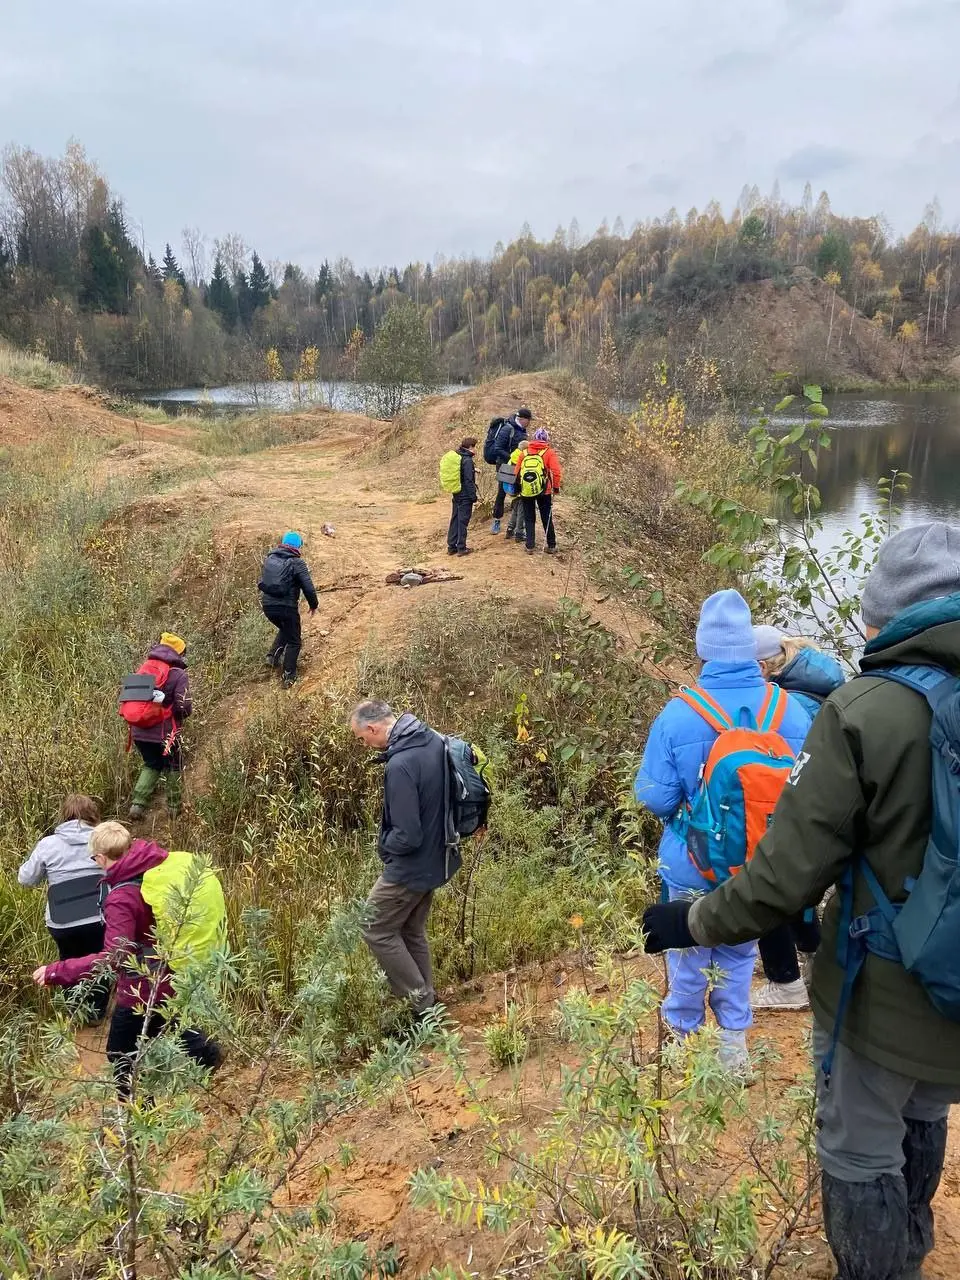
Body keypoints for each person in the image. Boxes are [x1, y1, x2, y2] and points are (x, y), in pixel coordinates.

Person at [640, 522, 960, 1280]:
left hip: (884, 986)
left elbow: (783, 879)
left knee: (859, 1150)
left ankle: (882, 1266)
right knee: (926, 1107)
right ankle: (913, 1245)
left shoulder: (865, 711)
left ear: (884, 616)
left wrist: (685, 920)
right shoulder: (804, 707)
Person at [634, 590, 810, 1074]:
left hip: (691, 859)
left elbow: (655, 797)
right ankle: (733, 1051)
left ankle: (681, 1044)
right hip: (758, 860)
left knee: (687, 950)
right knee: (739, 952)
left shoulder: (679, 713)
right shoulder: (789, 710)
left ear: (703, 649)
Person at [33, 822, 222, 1097]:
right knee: (167, 1024)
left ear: (101, 857)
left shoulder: (122, 897)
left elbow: (114, 957)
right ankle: (208, 1057)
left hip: (140, 986)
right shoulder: (152, 868)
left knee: (119, 1052)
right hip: (170, 971)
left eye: (94, 859)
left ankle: (137, 1107)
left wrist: (57, 971)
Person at [751, 625, 847, 1012]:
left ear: (763, 666)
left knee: (765, 884)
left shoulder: (786, 703)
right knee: (800, 889)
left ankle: (785, 983)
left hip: (793, 806)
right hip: (825, 805)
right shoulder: (817, 684)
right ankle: (815, 961)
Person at [349, 699, 460, 1016]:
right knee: (410, 930)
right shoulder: (432, 739)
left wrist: (384, 845)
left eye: (362, 738)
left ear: (373, 728)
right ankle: (429, 1006)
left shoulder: (399, 765)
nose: (365, 745)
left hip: (410, 869)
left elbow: (407, 835)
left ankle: (421, 1006)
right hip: (438, 858)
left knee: (374, 927)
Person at [18, 794, 110, 1023]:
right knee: (101, 959)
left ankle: (75, 1011)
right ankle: (96, 1012)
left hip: (62, 921)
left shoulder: (48, 844)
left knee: (68, 959)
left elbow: (25, 879)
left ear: (64, 816)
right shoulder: (104, 840)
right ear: (93, 814)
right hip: (99, 916)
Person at [129, 632, 191, 821]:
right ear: (179, 654)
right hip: (166, 733)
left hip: (139, 731)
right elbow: (183, 706)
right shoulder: (178, 674)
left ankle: (137, 804)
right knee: (173, 766)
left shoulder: (143, 669)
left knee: (151, 764)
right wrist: (180, 715)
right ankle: (174, 808)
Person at [259, 531, 319, 689]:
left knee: (286, 629)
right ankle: (288, 675)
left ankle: (272, 657)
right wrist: (313, 605)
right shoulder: (297, 563)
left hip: (267, 606)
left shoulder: (270, 558)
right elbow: (308, 588)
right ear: (297, 546)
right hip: (286, 607)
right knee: (294, 641)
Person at [515, 426, 562, 556]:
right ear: (546, 439)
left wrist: (518, 488)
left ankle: (530, 546)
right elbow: (556, 472)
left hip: (526, 490)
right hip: (544, 490)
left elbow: (517, 472)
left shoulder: (524, 452)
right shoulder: (549, 452)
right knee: (546, 516)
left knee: (529, 517)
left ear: (534, 438)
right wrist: (556, 488)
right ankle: (551, 545)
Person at [490, 407, 531, 538]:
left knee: (519, 491)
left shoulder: (521, 429)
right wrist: (512, 458)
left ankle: (515, 525)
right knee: (502, 492)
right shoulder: (507, 429)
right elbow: (497, 448)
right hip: (505, 466)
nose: (529, 423)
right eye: (529, 420)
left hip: (518, 465)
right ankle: (497, 520)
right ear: (522, 419)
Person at [447, 436, 478, 557]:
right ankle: (461, 548)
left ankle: (451, 546)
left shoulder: (458, 456)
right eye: (474, 447)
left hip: (456, 492)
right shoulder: (468, 460)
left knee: (455, 519)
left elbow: (461, 472)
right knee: (463, 521)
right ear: (470, 447)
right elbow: (468, 480)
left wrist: (474, 470)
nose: (475, 449)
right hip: (465, 495)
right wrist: (473, 496)